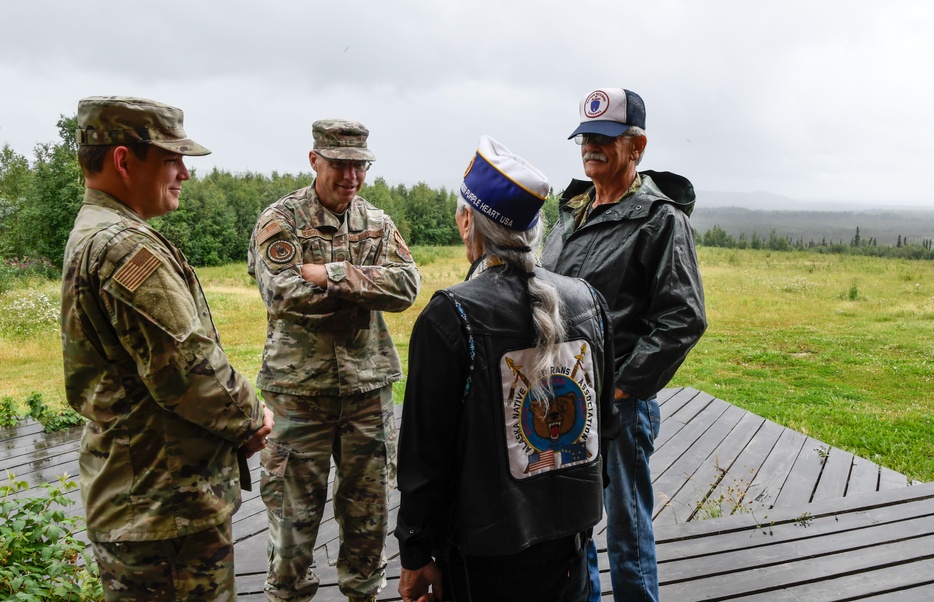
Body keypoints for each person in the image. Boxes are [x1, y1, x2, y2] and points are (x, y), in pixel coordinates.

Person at [61, 95, 274, 601]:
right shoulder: (124, 246)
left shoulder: (99, 233)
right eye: (171, 158)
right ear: (123, 159)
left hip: (144, 498)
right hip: (165, 509)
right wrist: (252, 417)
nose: (185, 172)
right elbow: (189, 372)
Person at [395, 136, 619, 602]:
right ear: (535, 230)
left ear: (466, 222)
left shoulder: (449, 316)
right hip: (572, 544)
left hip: (484, 559)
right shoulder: (588, 300)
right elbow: (603, 427)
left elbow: (424, 457)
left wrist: (416, 553)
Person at [542, 88, 708, 601]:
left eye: (606, 138)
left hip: (618, 407)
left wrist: (622, 387)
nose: (591, 147)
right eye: (585, 138)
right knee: (571, 523)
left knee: (627, 532)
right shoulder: (574, 211)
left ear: (636, 146)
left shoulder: (659, 220)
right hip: (564, 397)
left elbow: (684, 317)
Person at [249, 119, 420, 602]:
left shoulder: (377, 222)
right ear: (314, 160)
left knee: (370, 517)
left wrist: (331, 273)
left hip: (367, 394)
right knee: (290, 520)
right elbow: (282, 294)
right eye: (340, 165)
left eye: (359, 166)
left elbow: (407, 286)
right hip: (297, 397)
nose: (351, 176)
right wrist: (366, 287)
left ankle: (363, 594)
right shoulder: (279, 221)